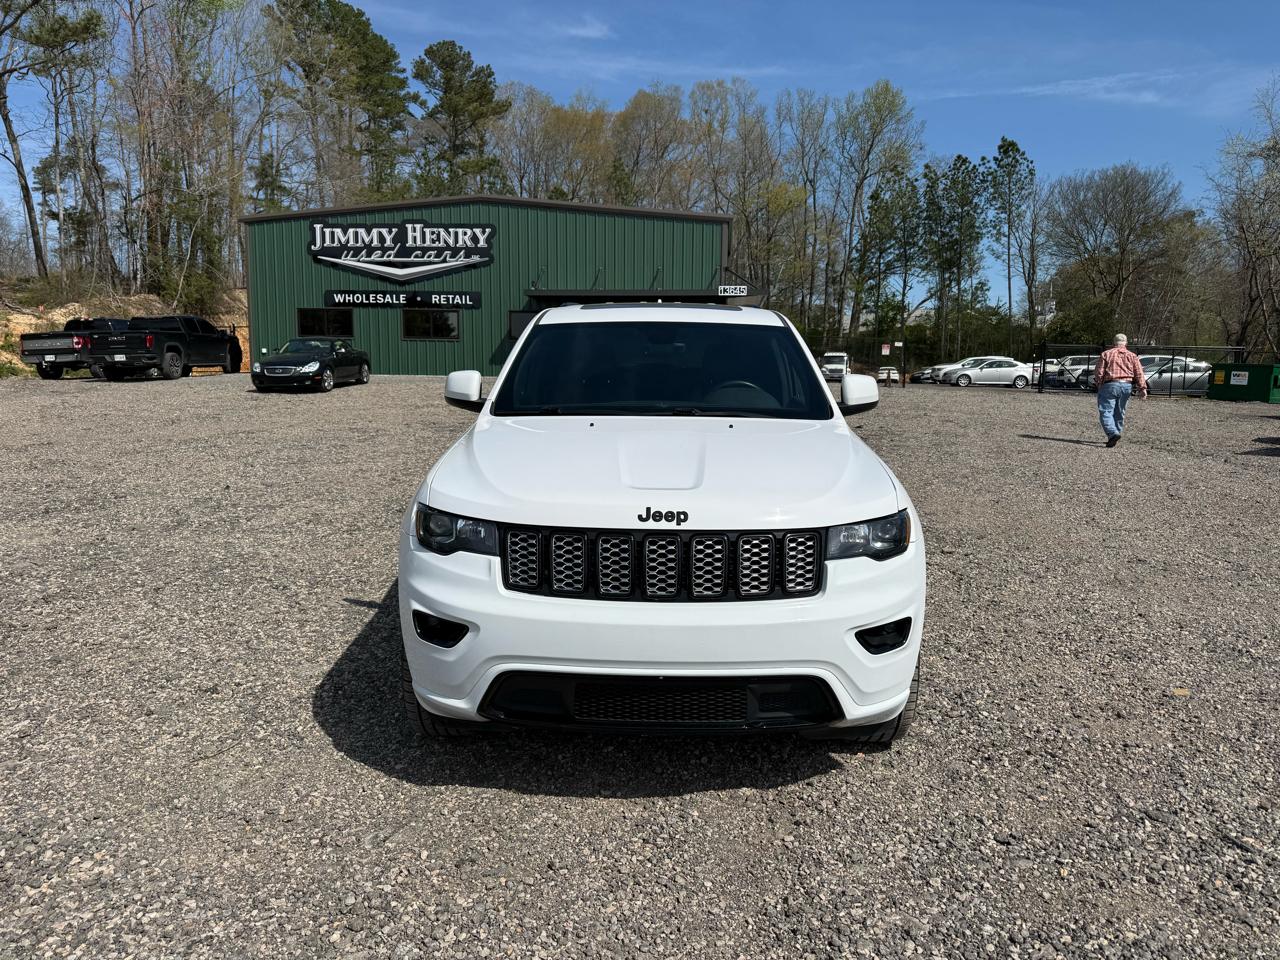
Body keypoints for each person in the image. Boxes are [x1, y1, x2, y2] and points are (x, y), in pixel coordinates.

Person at [1094, 334, 1147, 447]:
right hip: (1127, 385)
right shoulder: (1132, 356)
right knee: (1120, 412)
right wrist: (1142, 388)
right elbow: (1139, 373)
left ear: (1114, 343)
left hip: (1110, 385)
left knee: (1106, 411)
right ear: (1126, 344)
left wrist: (1099, 383)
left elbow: (1099, 372)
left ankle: (1112, 433)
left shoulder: (1106, 354)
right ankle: (1116, 434)